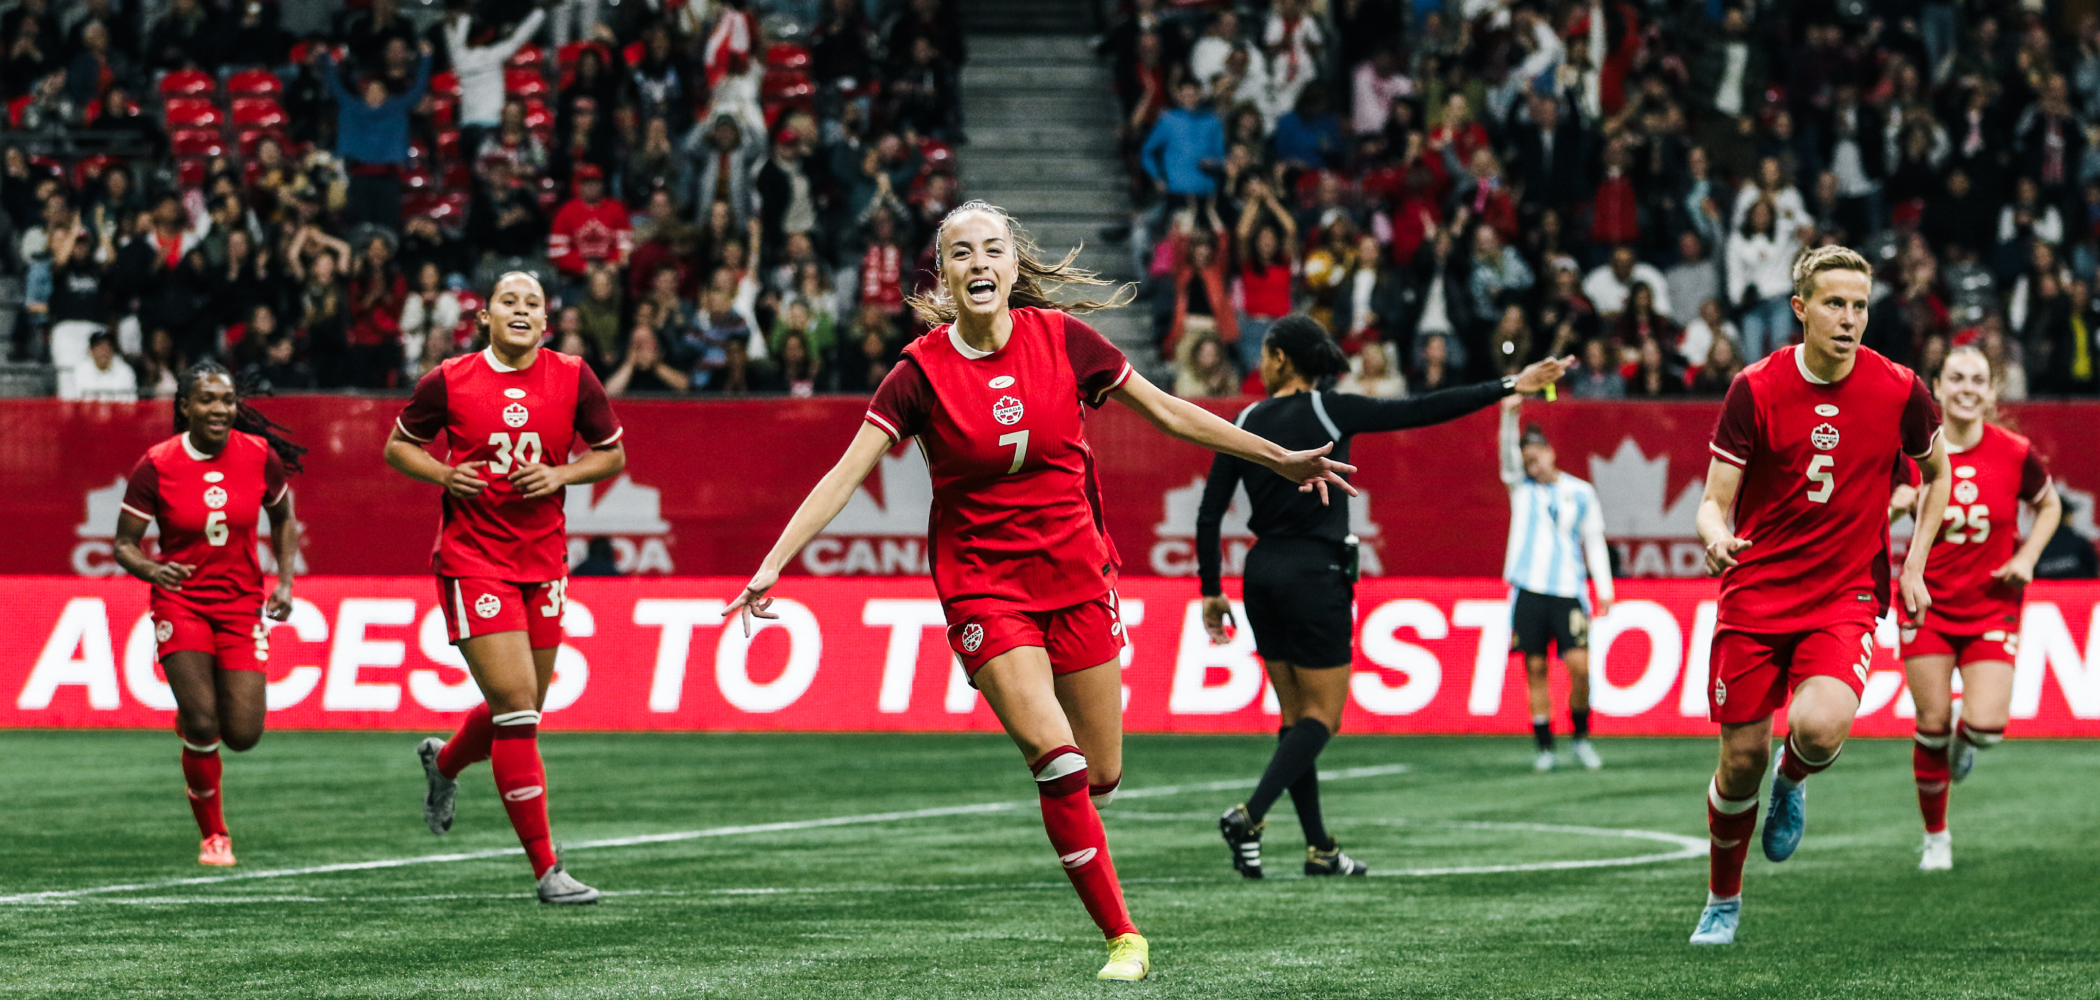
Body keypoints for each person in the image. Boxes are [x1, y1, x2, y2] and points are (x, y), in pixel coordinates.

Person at [722, 200, 1354, 982]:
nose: (978, 263)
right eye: (961, 253)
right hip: (985, 588)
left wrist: (1278, 457)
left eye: (992, 249)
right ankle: (1125, 937)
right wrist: (774, 561)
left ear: (1014, 266)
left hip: (1077, 575)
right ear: (946, 275)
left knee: (1101, 773)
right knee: (1054, 763)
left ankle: (1078, 833)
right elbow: (844, 475)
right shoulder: (917, 374)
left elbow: (1169, 413)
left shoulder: (1064, 342)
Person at [1202, 316, 1569, 877]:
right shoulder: (1331, 410)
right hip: (1315, 570)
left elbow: (1210, 512)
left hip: (1261, 571)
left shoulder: (1246, 419)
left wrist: (1210, 588)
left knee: (1296, 717)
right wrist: (1507, 385)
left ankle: (1320, 848)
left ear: (1277, 358)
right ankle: (1249, 815)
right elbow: (1422, 409)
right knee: (1324, 718)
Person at [1688, 246, 1951, 946]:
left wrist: (1916, 567)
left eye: (1860, 305)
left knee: (1821, 725)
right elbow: (1713, 503)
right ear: (1800, 308)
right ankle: (1723, 898)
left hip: (1844, 595)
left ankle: (1794, 778)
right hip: (1754, 592)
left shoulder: (1899, 388)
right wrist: (1716, 537)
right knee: (1737, 761)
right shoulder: (1755, 386)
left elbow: (1937, 473)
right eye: (1835, 304)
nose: (1850, 319)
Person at [386, 272, 627, 905]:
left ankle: (444, 764)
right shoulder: (449, 379)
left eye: (533, 304)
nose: (521, 311)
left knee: (516, 712)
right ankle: (549, 872)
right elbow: (397, 447)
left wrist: (561, 474)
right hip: (473, 560)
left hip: (543, 561)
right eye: (508, 302)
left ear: (546, 322)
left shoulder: (574, 377)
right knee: (519, 710)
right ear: (486, 317)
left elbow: (612, 455)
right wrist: (443, 471)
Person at [111, 362, 303, 867]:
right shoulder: (157, 464)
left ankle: (195, 716)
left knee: (242, 735)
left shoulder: (259, 456)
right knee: (203, 724)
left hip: (240, 604)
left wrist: (283, 582)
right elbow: (124, 546)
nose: (220, 409)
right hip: (182, 602)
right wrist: (153, 571)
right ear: (186, 407)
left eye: (227, 400)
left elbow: (284, 520)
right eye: (209, 400)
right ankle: (214, 836)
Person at [1893, 346, 2059, 871]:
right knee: (1932, 721)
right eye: (1957, 378)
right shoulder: (1912, 451)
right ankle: (1936, 836)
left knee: (1984, 727)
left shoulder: (2014, 450)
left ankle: (1968, 743)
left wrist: (2028, 556)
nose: (1968, 388)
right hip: (1929, 604)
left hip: (1992, 604)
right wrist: (1894, 501)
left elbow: (2050, 505)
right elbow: (1869, 501)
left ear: (1991, 393)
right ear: (1937, 387)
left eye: (1978, 380)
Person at [1497, 400, 1616, 772]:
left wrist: (1605, 587)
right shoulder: (1521, 488)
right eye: (1526, 460)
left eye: (1536, 457)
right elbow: (1506, 457)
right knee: (1534, 668)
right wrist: (1509, 415)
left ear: (1550, 453)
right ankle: (1545, 747)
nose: (1532, 465)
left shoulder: (1580, 492)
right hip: (1527, 591)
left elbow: (1594, 539)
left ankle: (1580, 737)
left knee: (1579, 667)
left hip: (1568, 592)